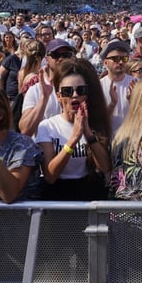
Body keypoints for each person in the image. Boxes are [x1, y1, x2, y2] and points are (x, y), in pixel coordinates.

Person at [36, 59, 111, 200]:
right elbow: (50, 176)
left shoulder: (95, 125)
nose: (75, 95)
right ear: (59, 97)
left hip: (89, 194)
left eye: (81, 90)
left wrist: (88, 133)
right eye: (67, 91)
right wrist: (74, 139)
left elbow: (105, 167)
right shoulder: (47, 126)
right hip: (58, 196)